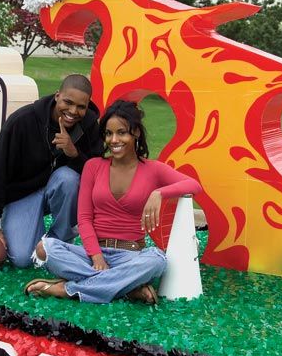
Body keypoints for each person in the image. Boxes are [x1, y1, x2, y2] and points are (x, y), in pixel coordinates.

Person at [24, 99, 202, 304]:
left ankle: (67, 289)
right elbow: (84, 218)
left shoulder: (152, 169)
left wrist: (159, 193)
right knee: (45, 248)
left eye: (122, 132)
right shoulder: (93, 166)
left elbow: (194, 185)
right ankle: (126, 289)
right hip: (92, 255)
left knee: (156, 260)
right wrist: (97, 257)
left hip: (130, 256)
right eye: (109, 134)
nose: (114, 140)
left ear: (135, 132)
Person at [0, 74, 104, 267]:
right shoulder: (23, 120)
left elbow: (97, 171)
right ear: (57, 96)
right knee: (23, 259)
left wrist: (74, 153)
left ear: (87, 106)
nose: (73, 111)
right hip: (23, 194)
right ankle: (35, 238)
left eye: (81, 107)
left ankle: (58, 242)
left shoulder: (89, 124)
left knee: (69, 179)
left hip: (59, 188)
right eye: (68, 102)